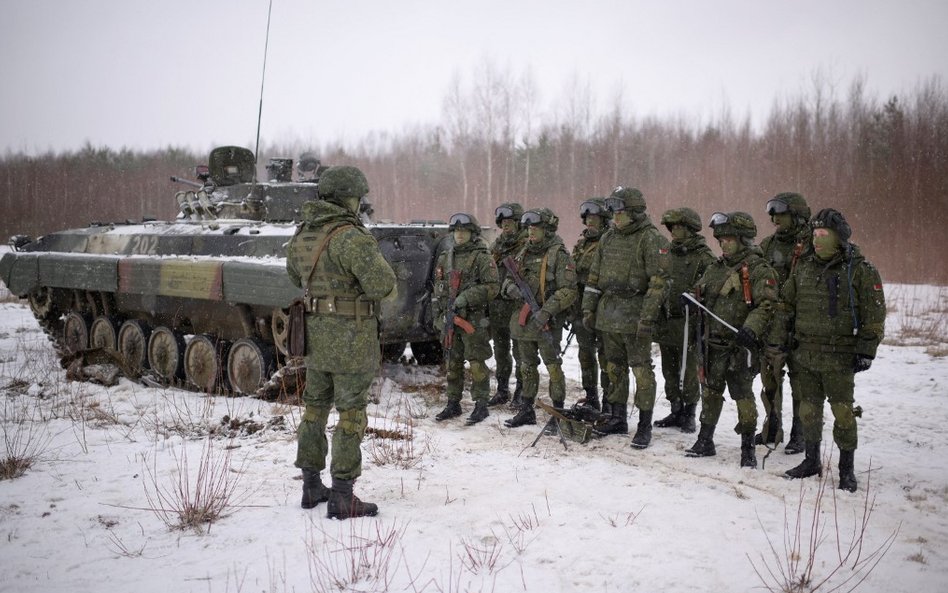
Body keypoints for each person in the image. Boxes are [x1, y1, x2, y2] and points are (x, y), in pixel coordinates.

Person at [286, 165, 397, 519]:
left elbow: (293, 275)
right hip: (351, 340)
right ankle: (342, 494)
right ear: (350, 198)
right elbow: (382, 285)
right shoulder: (351, 237)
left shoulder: (304, 234)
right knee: (351, 416)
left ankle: (310, 485)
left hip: (315, 340)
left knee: (314, 410)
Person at [782, 209, 885, 492]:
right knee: (808, 410)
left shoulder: (860, 270)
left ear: (839, 237)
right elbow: (786, 306)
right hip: (805, 355)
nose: (817, 240)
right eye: (814, 235)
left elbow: (874, 315)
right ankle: (811, 460)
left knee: (843, 413)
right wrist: (782, 339)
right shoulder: (803, 267)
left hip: (839, 359)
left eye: (823, 234)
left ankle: (846, 470)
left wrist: (867, 350)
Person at [685, 211, 778, 468]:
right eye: (721, 239)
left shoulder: (759, 270)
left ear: (743, 240)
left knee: (743, 396)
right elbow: (702, 290)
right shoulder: (716, 267)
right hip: (712, 343)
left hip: (740, 346)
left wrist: (752, 328)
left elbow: (767, 305)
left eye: (729, 239)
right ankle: (705, 440)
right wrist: (692, 298)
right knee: (711, 393)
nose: (723, 244)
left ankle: (748, 448)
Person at [581, 187, 670, 448]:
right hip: (609, 314)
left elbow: (659, 283)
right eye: (614, 212)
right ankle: (618, 418)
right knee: (614, 368)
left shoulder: (651, 239)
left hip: (635, 313)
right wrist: (589, 308)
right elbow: (594, 278)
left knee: (642, 371)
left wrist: (647, 318)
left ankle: (644, 425)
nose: (615, 217)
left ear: (633, 212)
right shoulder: (608, 238)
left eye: (620, 212)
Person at [502, 208, 577, 427]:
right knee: (526, 365)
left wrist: (546, 311)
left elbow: (569, 290)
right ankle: (526, 409)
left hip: (547, 321)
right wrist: (510, 289)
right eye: (529, 228)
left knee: (553, 365)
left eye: (535, 228)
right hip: (524, 322)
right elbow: (506, 280)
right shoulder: (523, 252)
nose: (530, 232)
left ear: (547, 229)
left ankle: (557, 412)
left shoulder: (558, 254)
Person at [757, 192, 813, 454]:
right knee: (770, 379)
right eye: (773, 215)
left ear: (797, 216)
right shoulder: (767, 245)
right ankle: (772, 427)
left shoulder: (813, 244)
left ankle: (799, 435)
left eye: (781, 214)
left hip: (803, 323)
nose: (775, 219)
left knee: (800, 382)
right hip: (773, 324)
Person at [432, 213, 500, 425]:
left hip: (473, 320)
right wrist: (439, 316)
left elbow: (492, 287)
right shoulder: (446, 257)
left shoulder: (482, 257)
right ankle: (453, 402)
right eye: (457, 231)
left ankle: (481, 404)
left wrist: (466, 297)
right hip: (450, 319)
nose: (460, 235)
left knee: (477, 362)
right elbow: (437, 289)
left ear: (472, 233)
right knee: (452, 362)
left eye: (464, 231)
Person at [653, 207, 714, 433]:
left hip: (689, 321)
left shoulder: (702, 256)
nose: (675, 231)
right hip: (667, 320)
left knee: (687, 370)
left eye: (680, 227)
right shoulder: (666, 252)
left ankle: (689, 412)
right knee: (668, 369)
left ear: (690, 229)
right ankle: (675, 408)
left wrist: (693, 295)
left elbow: (710, 286)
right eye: (673, 227)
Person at [570, 197, 612, 411]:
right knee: (586, 355)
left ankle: (609, 401)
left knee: (607, 358)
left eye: (594, 218)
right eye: (587, 219)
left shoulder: (611, 242)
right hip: (581, 310)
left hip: (604, 309)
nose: (590, 223)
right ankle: (591, 396)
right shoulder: (580, 244)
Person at [487, 202, 527, 408]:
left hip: (517, 306)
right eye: (503, 222)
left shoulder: (526, 245)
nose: (506, 225)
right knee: (501, 350)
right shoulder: (497, 245)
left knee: (521, 351)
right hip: (497, 307)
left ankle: (522, 390)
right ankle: (502, 389)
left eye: (510, 222)